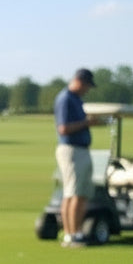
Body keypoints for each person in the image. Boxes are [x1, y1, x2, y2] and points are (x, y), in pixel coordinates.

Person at [54, 68, 99, 247]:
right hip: (71, 150)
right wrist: (87, 123)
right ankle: (71, 234)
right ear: (80, 81)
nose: (87, 89)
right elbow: (63, 128)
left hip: (81, 150)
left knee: (80, 193)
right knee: (73, 193)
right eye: (87, 85)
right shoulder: (65, 98)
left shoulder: (76, 99)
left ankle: (76, 232)